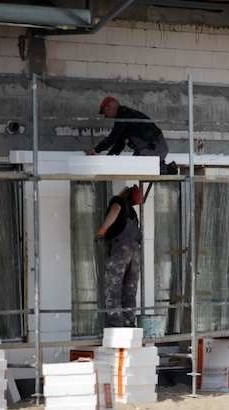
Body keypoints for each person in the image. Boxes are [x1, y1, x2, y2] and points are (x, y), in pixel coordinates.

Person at [85, 96, 177, 174]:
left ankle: (167, 169)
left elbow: (113, 137)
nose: (106, 116)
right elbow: (120, 141)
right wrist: (110, 158)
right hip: (153, 147)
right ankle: (165, 168)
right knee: (137, 164)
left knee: (140, 166)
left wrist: (96, 150)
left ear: (109, 107)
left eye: (105, 112)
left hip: (155, 147)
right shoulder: (125, 116)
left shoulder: (124, 116)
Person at [96, 185, 143, 327]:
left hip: (120, 251)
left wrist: (102, 231)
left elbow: (115, 210)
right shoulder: (133, 213)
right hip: (135, 252)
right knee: (130, 288)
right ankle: (129, 322)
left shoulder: (118, 201)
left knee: (113, 287)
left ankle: (115, 323)